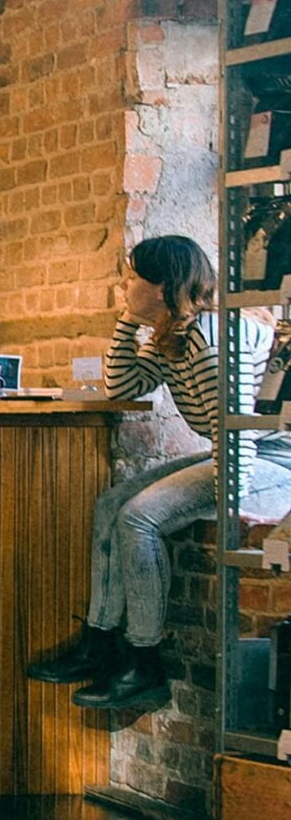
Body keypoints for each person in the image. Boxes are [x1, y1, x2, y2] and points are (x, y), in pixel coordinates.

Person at [29, 235, 291, 710]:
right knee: (112, 503)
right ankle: (99, 642)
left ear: (163, 286)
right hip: (237, 449)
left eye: (133, 277)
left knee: (138, 516)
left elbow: (238, 441)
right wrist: (128, 321)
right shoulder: (175, 334)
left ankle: (143, 661)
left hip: (273, 459)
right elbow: (122, 385)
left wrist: (220, 501)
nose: (124, 284)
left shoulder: (210, 344)